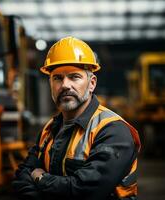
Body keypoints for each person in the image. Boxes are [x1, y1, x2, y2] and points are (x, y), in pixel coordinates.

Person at [12, 36, 141, 200]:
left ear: (92, 83)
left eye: (74, 77)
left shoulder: (113, 131)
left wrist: (41, 178)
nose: (65, 85)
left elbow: (86, 191)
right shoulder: (50, 129)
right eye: (57, 78)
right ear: (51, 83)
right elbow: (22, 175)